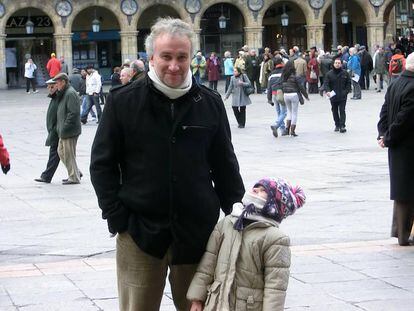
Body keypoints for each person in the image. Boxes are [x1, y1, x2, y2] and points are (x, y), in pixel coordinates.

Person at [89, 18, 244, 311]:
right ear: (151, 58)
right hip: (140, 234)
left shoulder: (209, 103)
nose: (174, 65)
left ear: (190, 58)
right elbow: (101, 165)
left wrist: (238, 213)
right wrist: (117, 217)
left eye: (181, 57)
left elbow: (224, 165)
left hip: (198, 235)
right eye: (166, 57)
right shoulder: (123, 102)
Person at [187, 177, 306, 311]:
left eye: (263, 190)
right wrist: (197, 298)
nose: (255, 189)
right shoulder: (227, 223)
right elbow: (207, 264)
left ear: (273, 204)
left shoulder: (275, 239)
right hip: (216, 303)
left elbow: (275, 287)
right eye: (256, 187)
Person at [377, 52, 414, 247]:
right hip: (408, 144)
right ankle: (404, 235)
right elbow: (405, 118)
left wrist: (382, 135)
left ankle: (400, 232)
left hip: (396, 146)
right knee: (408, 189)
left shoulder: (395, 83)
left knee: (401, 189)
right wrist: (389, 136)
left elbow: (384, 111)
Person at [53, 73, 82, 185]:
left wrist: (65, 127)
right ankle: (75, 172)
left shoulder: (70, 93)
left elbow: (73, 113)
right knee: (61, 152)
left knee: (69, 154)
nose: (56, 85)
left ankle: (74, 177)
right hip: (63, 131)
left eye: (57, 82)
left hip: (69, 131)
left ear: (64, 82)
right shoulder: (64, 93)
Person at [34, 78, 61, 183]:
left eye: (50, 86)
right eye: (48, 86)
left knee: (55, 154)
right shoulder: (54, 97)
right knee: (64, 154)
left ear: (56, 86)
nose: (48, 88)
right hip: (54, 130)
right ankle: (76, 171)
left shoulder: (59, 97)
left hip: (57, 131)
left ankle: (46, 176)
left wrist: (56, 129)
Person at [321, 57, 352, 133]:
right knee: (334, 110)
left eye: (339, 63)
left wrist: (346, 92)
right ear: (333, 64)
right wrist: (328, 91)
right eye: (336, 63)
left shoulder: (345, 73)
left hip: (342, 96)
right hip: (333, 96)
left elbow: (348, 84)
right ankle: (337, 125)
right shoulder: (329, 74)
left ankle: (342, 126)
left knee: (342, 110)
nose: (337, 64)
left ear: (341, 64)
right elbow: (326, 84)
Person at [282, 61, 309, 137]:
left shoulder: (283, 76)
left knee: (289, 112)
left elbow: (281, 85)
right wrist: (306, 96)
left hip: (286, 94)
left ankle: (287, 129)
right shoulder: (295, 76)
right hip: (294, 95)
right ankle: (292, 131)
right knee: (294, 113)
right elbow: (301, 87)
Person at [267, 57, 287, 137]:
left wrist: (269, 98)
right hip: (282, 93)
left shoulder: (271, 74)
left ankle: (283, 130)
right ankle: (276, 125)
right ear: (281, 62)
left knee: (279, 112)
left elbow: (269, 87)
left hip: (274, 94)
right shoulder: (285, 72)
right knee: (284, 112)